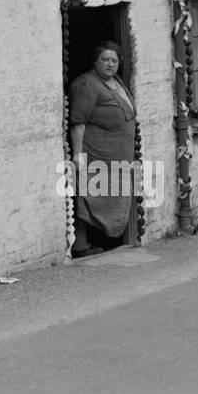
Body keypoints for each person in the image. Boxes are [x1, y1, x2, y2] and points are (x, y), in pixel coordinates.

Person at [68, 41, 136, 258]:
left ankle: (103, 240)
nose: (110, 64)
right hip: (96, 155)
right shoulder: (87, 85)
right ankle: (80, 245)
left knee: (109, 197)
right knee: (88, 198)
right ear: (95, 61)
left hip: (117, 159)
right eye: (105, 59)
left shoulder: (116, 82)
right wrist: (78, 156)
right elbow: (78, 122)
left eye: (114, 60)